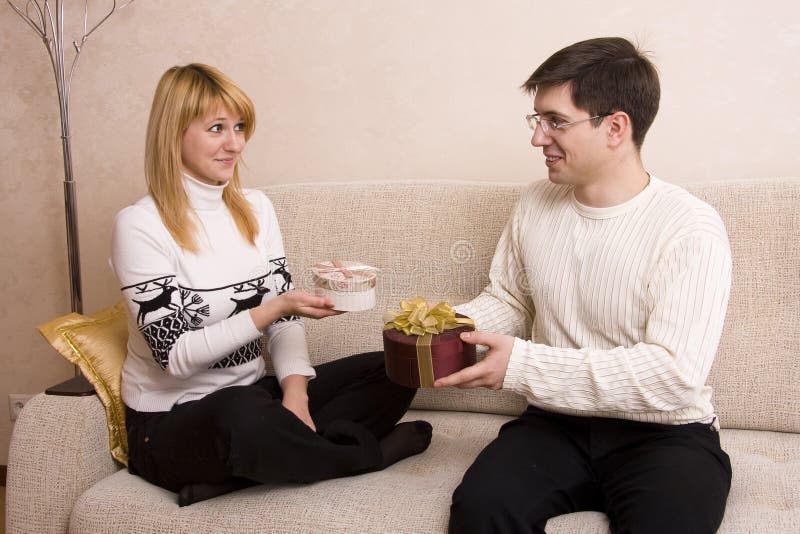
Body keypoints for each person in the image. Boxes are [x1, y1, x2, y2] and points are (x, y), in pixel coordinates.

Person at [436, 37, 732, 533]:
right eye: (537, 120)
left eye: (556, 121)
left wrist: (524, 363)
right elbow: (509, 299)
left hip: (665, 436)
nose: (537, 139)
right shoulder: (535, 203)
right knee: (479, 514)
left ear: (615, 127)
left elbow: (672, 375)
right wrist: (444, 327)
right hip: (556, 424)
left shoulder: (689, 226)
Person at [110, 63, 431, 507]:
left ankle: (248, 472)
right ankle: (366, 457)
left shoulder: (255, 209)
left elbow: (284, 323)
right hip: (172, 421)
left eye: (239, 127)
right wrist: (272, 308)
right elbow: (176, 358)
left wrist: (295, 395)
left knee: (393, 367)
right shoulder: (140, 225)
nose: (235, 143)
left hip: (255, 399)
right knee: (241, 415)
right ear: (174, 133)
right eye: (217, 128)